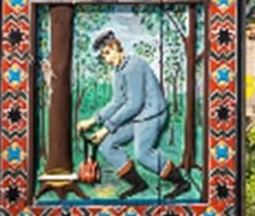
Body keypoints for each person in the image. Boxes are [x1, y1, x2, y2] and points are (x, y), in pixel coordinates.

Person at [77, 30, 191, 199]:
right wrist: (94, 120)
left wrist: (105, 128)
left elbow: (133, 104)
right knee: (107, 145)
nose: (107, 59)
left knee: (143, 154)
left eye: (108, 53)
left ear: (116, 47)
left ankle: (181, 182)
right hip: (136, 116)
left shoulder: (134, 66)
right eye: (103, 56)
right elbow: (117, 101)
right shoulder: (117, 71)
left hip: (151, 114)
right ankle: (138, 184)